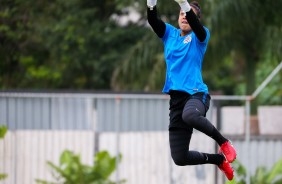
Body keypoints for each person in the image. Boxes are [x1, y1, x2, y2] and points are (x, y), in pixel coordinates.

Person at [146, 0, 237, 181]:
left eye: (188, 15)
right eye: (181, 14)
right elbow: (153, 20)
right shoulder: (169, 34)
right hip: (176, 101)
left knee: (191, 116)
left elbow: (197, 26)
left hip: (196, 95)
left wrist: (185, 5)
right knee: (179, 157)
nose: (184, 17)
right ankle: (218, 160)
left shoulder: (200, 36)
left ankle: (224, 143)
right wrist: (151, 3)